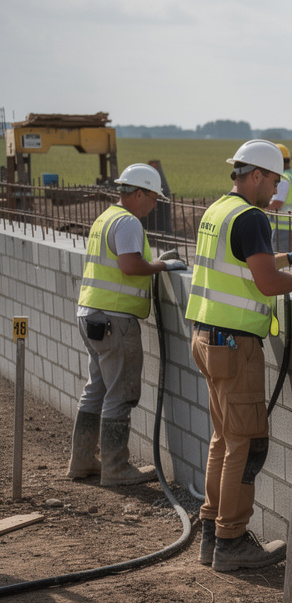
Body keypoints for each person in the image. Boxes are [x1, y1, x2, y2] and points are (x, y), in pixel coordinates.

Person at [186, 139, 292, 572]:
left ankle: (213, 534)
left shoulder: (219, 210)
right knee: (248, 444)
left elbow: (245, 264)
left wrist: (288, 256)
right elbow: (268, 284)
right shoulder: (251, 217)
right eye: (273, 180)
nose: (275, 191)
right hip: (234, 346)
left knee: (224, 439)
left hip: (206, 337)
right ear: (255, 174)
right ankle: (232, 542)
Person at [67, 164, 188, 486]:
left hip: (90, 313)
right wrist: (162, 264)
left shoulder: (106, 217)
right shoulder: (127, 222)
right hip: (114, 319)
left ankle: (82, 462)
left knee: (98, 388)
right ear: (138, 193)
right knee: (121, 393)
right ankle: (116, 468)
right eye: (153, 197)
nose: (155, 204)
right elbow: (130, 265)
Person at [266, 143, 292, 254]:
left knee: (281, 263)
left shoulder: (283, 178)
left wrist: (257, 207)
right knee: (291, 264)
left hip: (284, 230)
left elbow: (277, 204)